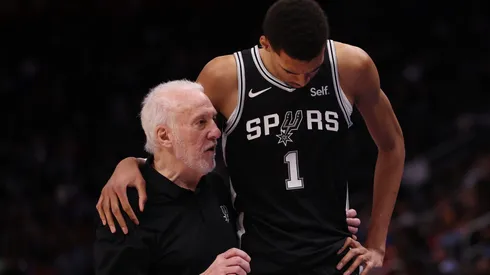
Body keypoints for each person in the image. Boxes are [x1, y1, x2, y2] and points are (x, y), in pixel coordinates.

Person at [96, 0, 405, 274]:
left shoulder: (352, 67)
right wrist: (132, 162)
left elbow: (391, 146)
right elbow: (182, 139)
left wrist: (377, 243)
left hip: (335, 254)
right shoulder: (225, 77)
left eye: (312, 72)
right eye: (291, 72)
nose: (301, 82)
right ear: (265, 44)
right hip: (257, 256)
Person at [94, 80, 252, 275]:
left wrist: (130, 161)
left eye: (213, 119)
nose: (216, 132)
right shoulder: (127, 206)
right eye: (201, 122)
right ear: (164, 136)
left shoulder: (216, 186)